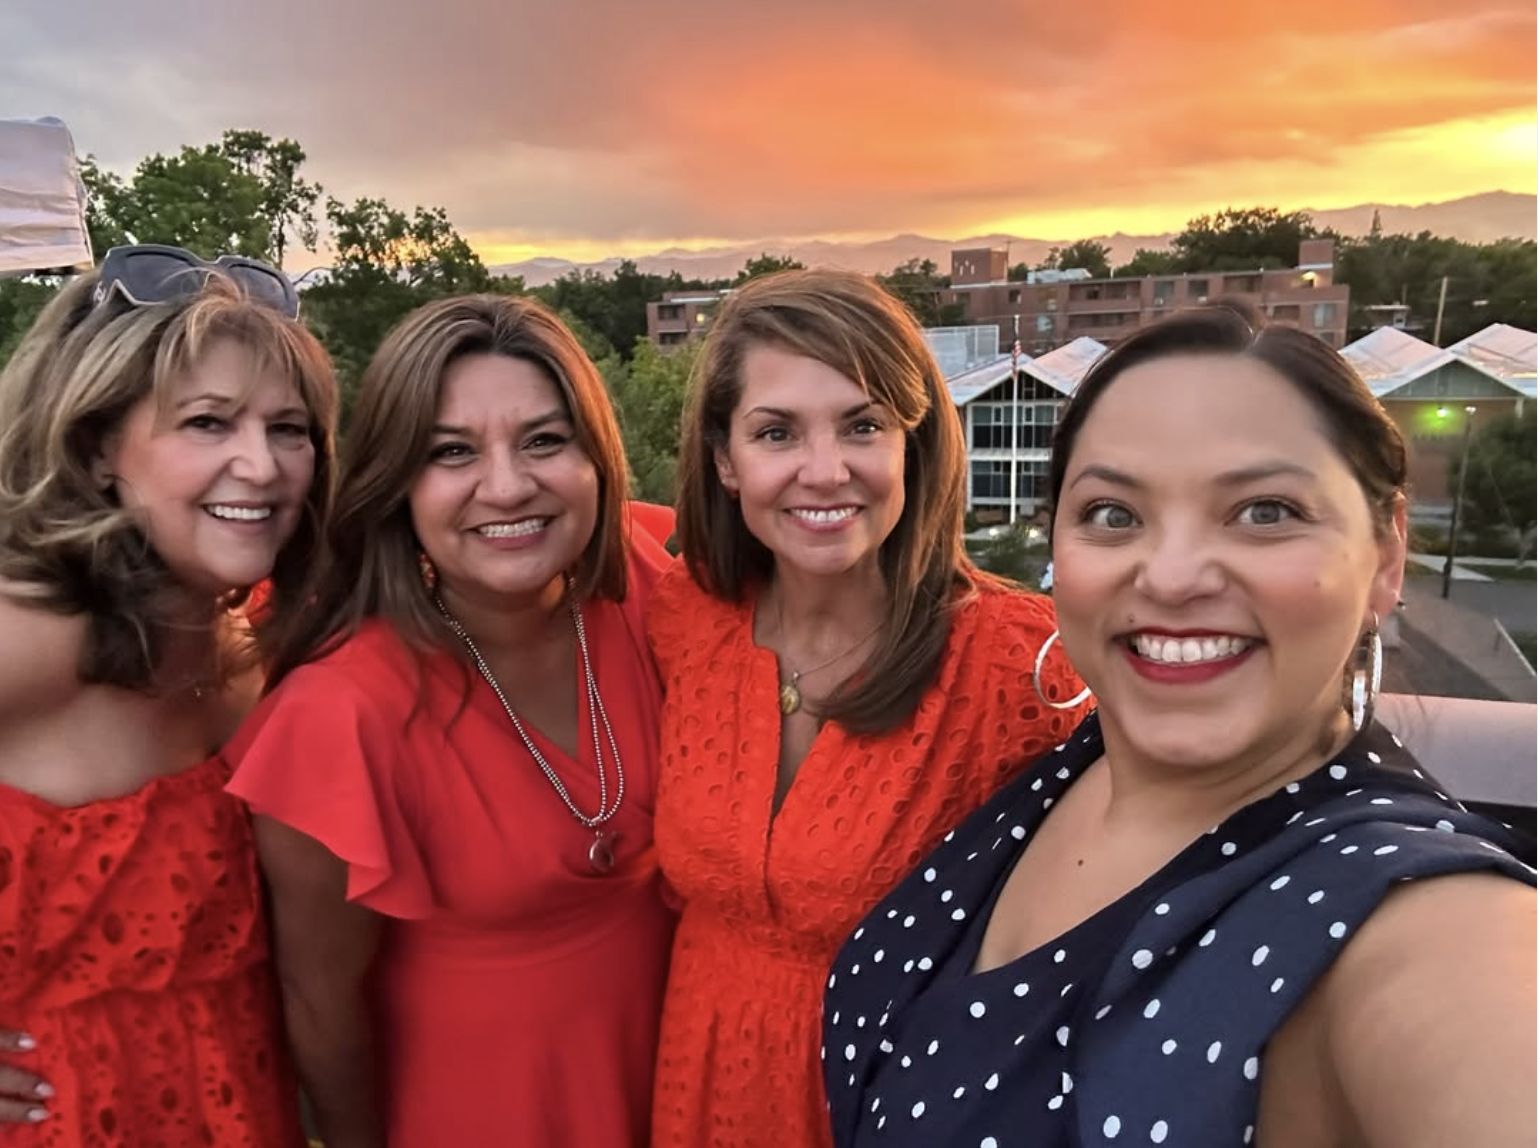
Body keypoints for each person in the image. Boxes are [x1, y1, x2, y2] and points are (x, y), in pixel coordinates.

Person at [823, 303, 1537, 1148]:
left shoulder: (1413, 922)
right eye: (1114, 514)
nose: (1170, 577)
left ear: (1385, 556)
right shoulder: (1052, 774)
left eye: (1264, 511)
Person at [648, 268, 1093, 1148]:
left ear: (913, 447)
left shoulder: (1020, 666)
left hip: (888, 1107)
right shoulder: (682, 618)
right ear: (726, 461)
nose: (826, 471)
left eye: (863, 426)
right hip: (698, 1086)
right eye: (776, 432)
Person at [223, 294, 678, 1148]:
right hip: (477, 1114)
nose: (507, 486)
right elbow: (318, 1005)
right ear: (397, 483)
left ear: (597, 459)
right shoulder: (340, 715)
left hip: (684, 1090)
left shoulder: (649, 588)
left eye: (545, 441)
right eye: (452, 452)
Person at [0, 245, 337, 1145]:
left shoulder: (253, 653)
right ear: (98, 448)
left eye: (288, 428)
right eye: (207, 423)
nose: (261, 466)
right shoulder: (32, 635)